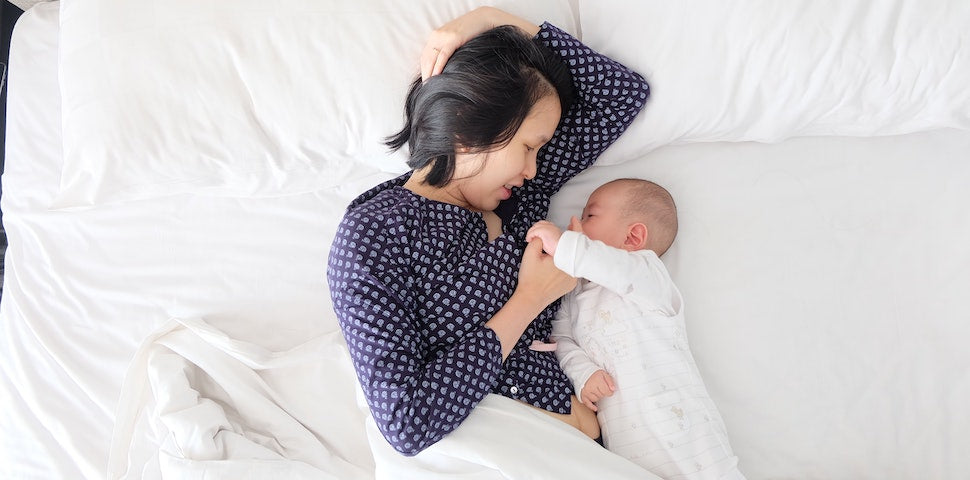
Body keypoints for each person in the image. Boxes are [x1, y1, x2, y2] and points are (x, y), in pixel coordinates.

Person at [327, 7, 649, 456]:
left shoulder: (521, 197)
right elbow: (406, 422)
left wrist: (491, 20)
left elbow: (621, 94)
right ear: (469, 124)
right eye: (528, 147)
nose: (534, 167)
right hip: (503, 452)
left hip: (588, 450)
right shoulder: (374, 235)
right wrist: (529, 299)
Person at [527, 178, 747, 479]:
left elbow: (609, 266)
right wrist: (583, 373)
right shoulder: (574, 291)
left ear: (633, 237)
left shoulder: (647, 275)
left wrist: (566, 246)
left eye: (590, 216)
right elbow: (562, 339)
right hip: (630, 453)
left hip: (690, 440)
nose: (574, 222)